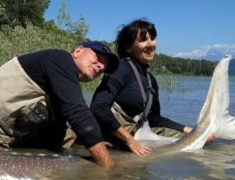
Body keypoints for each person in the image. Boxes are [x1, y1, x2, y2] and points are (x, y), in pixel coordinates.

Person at [0, 41, 119, 167]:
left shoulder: (60, 82)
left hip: (8, 136)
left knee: (69, 136)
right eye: (98, 59)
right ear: (78, 51)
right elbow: (78, 113)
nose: (101, 67)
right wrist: (108, 166)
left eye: (104, 67)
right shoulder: (60, 59)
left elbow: (57, 133)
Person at [90, 19, 213, 155]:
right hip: (113, 139)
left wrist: (188, 130)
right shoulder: (120, 69)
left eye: (152, 38)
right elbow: (98, 108)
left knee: (199, 141)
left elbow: (154, 119)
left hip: (139, 136)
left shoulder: (151, 80)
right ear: (128, 47)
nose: (150, 44)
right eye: (143, 40)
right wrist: (130, 140)